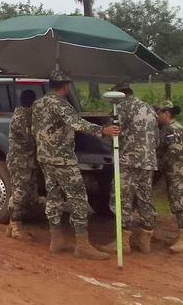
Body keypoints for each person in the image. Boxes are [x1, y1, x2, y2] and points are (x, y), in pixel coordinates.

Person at [32, 69, 119, 260]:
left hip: (45, 158)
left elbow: (35, 130)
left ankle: (56, 240)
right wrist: (103, 130)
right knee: (78, 198)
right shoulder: (61, 104)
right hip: (63, 159)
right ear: (65, 86)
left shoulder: (38, 104)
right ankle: (82, 245)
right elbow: (77, 123)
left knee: (53, 197)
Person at [98, 83, 158, 255]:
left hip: (128, 161)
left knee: (121, 199)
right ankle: (145, 239)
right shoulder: (148, 108)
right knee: (144, 199)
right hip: (148, 161)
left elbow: (113, 133)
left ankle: (123, 242)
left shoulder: (121, 108)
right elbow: (157, 137)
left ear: (119, 95)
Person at [155, 100, 183, 253]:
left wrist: (160, 165)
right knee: (175, 202)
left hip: (179, 172)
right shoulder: (166, 128)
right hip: (173, 171)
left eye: (159, 113)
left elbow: (174, 151)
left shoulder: (174, 129)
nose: (157, 116)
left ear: (166, 113)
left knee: (180, 204)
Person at [6, 89, 38, 241]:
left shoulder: (26, 115)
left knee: (26, 192)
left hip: (25, 160)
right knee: (19, 193)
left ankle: (13, 226)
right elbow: (31, 138)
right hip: (19, 161)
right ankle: (16, 226)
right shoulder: (21, 117)